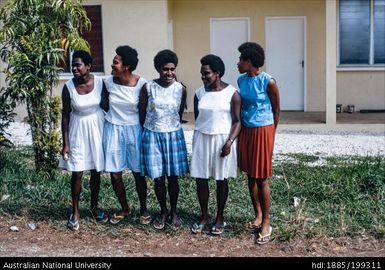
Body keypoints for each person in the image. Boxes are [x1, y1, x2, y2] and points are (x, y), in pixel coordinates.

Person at [190, 54, 241, 235]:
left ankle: (219, 217)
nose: (203, 77)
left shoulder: (232, 93)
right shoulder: (199, 93)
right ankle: (204, 216)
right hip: (202, 138)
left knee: (221, 179)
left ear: (217, 73)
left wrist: (229, 142)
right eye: (202, 74)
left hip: (222, 140)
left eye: (207, 74)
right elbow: (199, 118)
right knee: (201, 179)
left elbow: (237, 122)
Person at [139, 49, 189, 230]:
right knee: (159, 178)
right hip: (152, 135)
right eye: (165, 69)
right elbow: (142, 113)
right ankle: (163, 211)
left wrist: (170, 127)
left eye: (172, 69)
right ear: (158, 69)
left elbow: (179, 113)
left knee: (173, 178)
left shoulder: (180, 89)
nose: (169, 73)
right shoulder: (148, 87)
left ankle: (174, 212)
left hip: (173, 135)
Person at [59, 50, 108, 231]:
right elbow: (65, 116)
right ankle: (76, 211)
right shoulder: (68, 87)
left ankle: (94, 208)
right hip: (77, 129)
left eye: (78, 64)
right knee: (77, 172)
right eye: (72, 65)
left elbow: (107, 105)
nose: (74, 68)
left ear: (88, 66)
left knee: (96, 171)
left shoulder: (101, 83)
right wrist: (65, 143)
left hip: (97, 127)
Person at [101, 45, 151, 225]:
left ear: (126, 66)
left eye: (116, 62)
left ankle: (144, 209)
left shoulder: (142, 84)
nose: (112, 65)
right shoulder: (107, 83)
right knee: (115, 174)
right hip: (113, 129)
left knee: (138, 173)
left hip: (134, 130)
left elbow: (144, 112)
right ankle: (124, 207)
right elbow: (104, 106)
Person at [236, 42, 280, 244]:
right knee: (250, 175)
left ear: (250, 61)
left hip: (263, 129)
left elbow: (277, 109)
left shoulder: (268, 82)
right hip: (246, 129)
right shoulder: (241, 80)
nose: (238, 63)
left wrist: (271, 133)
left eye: (241, 60)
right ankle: (258, 215)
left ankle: (267, 222)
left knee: (261, 177)